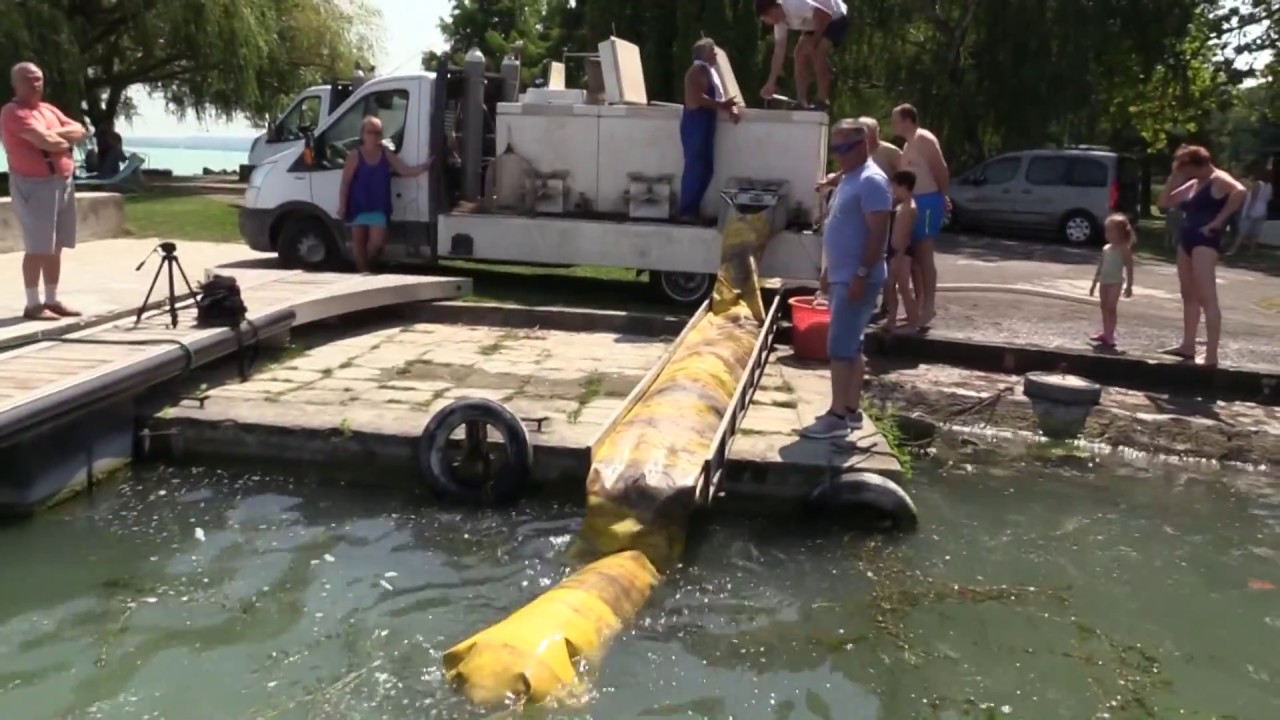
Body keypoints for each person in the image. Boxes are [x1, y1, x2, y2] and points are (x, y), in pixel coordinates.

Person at [801, 120, 892, 439]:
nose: (838, 156)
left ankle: (837, 416)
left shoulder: (871, 182)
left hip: (858, 277)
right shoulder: (849, 179)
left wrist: (861, 273)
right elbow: (842, 226)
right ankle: (851, 410)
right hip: (843, 274)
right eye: (835, 149)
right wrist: (829, 271)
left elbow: (879, 233)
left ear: (863, 145)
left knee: (839, 347)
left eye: (844, 149)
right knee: (852, 345)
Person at [1, 61, 86, 321]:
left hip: (63, 182)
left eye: (38, 78)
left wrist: (54, 136)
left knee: (56, 245)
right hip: (34, 185)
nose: (35, 84)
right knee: (38, 246)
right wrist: (58, 138)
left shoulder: (48, 110)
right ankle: (32, 304)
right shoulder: (12, 112)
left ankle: (52, 299)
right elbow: (46, 141)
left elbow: (80, 130)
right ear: (15, 83)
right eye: (28, 79)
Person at [1156, 145, 1246, 367]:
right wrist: (1173, 178)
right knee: (1188, 294)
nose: (1187, 175)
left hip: (1205, 241)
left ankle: (1211, 354)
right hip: (1187, 238)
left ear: (1200, 164)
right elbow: (1163, 204)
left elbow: (1241, 192)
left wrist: (1218, 221)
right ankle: (1188, 345)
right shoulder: (1194, 183)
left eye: (1188, 170)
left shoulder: (1219, 179)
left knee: (1207, 297)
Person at [338, 116, 431, 272]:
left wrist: (425, 166)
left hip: (379, 206)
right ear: (362, 134)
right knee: (358, 243)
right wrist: (342, 206)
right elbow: (345, 183)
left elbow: (404, 170)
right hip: (357, 205)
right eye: (370, 132)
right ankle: (363, 274)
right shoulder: (355, 155)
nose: (374, 136)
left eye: (377, 132)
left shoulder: (385, 154)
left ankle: (366, 267)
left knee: (377, 243)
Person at [890, 103, 948, 328]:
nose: (893, 124)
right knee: (912, 259)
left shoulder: (924, 139)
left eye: (895, 119)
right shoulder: (908, 144)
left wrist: (943, 196)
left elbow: (940, 169)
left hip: (928, 201)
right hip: (913, 202)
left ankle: (929, 306)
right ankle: (918, 304)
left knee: (924, 254)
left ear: (907, 119)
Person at [678, 38, 741, 223]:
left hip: (706, 121)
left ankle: (692, 209)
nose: (715, 53)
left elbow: (720, 97)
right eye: (712, 50)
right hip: (695, 121)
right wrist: (722, 105)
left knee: (706, 168)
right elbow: (695, 98)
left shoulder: (709, 72)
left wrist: (729, 108)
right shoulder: (696, 72)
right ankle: (686, 211)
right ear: (703, 52)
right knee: (696, 165)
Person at [756, 0, 850, 111]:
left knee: (817, 52)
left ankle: (822, 99)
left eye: (768, 16)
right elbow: (779, 51)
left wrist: (815, 42)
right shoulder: (780, 22)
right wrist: (771, 82)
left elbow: (825, 16)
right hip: (815, 23)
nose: (769, 22)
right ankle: (801, 102)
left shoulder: (795, 5)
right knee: (799, 54)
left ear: (775, 7)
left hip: (836, 16)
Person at [1087, 214, 1136, 348]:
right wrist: (1094, 282)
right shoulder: (1106, 248)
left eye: (1111, 231)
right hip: (1104, 280)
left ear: (1121, 233)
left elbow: (1129, 267)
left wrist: (1129, 285)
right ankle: (1105, 332)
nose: (1107, 234)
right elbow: (1101, 265)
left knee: (1111, 307)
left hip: (1115, 282)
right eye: (1106, 230)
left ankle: (1111, 334)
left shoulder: (1124, 249)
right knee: (1103, 306)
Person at [884, 170, 921, 334]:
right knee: (890, 285)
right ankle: (891, 319)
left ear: (904, 186)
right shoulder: (901, 205)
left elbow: (905, 236)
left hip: (903, 252)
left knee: (904, 287)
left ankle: (913, 322)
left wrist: (899, 258)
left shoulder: (909, 208)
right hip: (895, 250)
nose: (893, 189)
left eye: (895, 186)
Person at [1229, 166, 1272, 255]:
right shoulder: (1269, 186)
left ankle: (1233, 250)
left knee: (1242, 232)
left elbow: (1253, 198)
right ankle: (1252, 250)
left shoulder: (1257, 184)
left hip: (1252, 210)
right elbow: (1269, 198)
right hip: (1263, 210)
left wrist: (1248, 210)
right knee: (1255, 233)